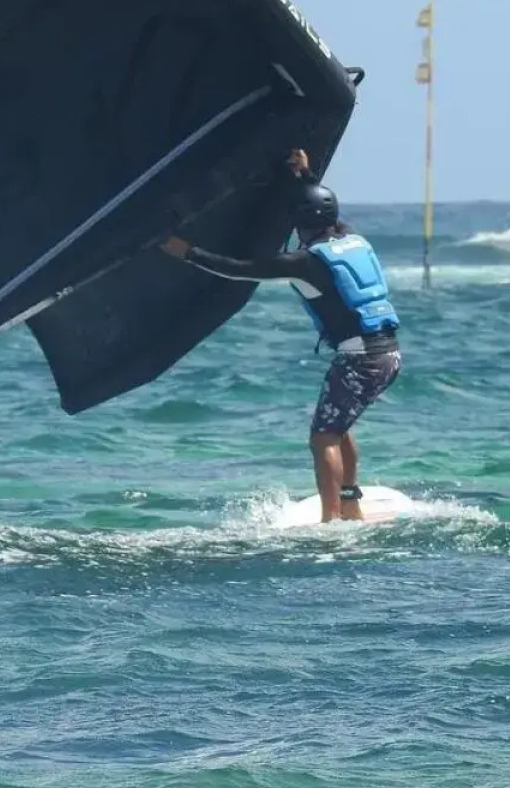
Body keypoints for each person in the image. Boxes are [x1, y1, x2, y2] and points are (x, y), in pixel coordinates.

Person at [160, 148, 402, 522]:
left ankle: (331, 520)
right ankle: (350, 505)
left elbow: (239, 269)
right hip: (387, 355)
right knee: (338, 426)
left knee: (323, 438)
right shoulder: (352, 237)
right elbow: (318, 208)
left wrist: (187, 252)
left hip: (360, 358)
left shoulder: (304, 262)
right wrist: (305, 178)